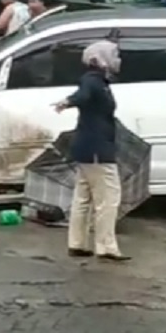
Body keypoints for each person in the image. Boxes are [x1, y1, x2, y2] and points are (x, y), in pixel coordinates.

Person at [53, 37, 131, 262]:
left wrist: (69, 102)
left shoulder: (98, 81)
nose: (118, 60)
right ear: (100, 59)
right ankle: (106, 246)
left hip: (87, 146)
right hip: (98, 149)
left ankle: (77, 243)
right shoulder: (94, 81)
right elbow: (82, 96)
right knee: (109, 198)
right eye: (114, 55)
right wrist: (67, 102)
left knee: (83, 196)